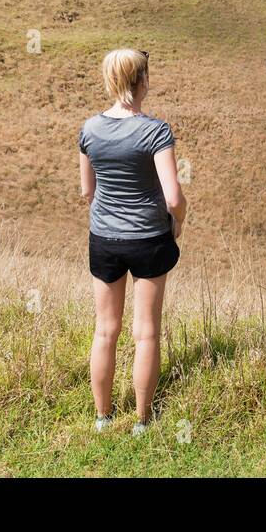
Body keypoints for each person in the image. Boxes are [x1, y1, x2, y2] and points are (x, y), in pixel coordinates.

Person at [78, 48, 186, 435]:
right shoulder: (156, 131)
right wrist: (178, 219)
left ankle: (103, 417)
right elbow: (173, 196)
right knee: (146, 333)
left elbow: (87, 191)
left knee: (106, 330)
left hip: (104, 239)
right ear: (142, 81)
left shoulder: (90, 129)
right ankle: (143, 420)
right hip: (149, 240)